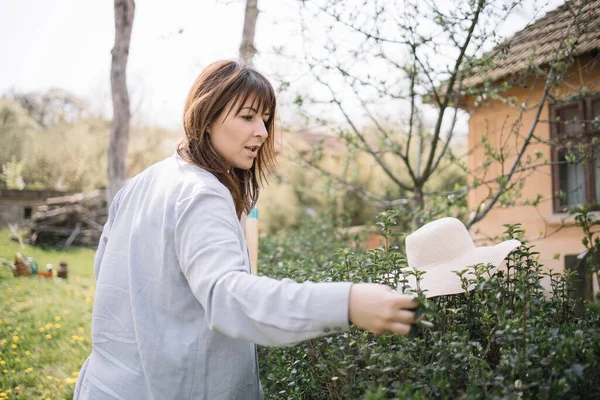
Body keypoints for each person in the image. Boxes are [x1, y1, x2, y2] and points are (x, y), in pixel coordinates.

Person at [74, 60, 419, 400]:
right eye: (248, 116)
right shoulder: (202, 193)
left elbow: (107, 272)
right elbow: (230, 298)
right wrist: (348, 302)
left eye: (266, 120)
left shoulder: (142, 182)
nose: (263, 132)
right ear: (207, 115)